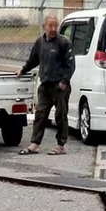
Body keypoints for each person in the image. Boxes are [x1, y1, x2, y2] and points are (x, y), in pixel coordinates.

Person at [18, 15, 75, 156]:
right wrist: (23, 70)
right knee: (40, 114)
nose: (53, 29)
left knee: (60, 115)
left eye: (56, 26)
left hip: (59, 86)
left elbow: (70, 65)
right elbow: (33, 60)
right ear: (45, 27)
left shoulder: (64, 42)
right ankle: (35, 143)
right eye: (50, 26)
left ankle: (60, 145)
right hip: (45, 85)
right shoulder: (40, 42)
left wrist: (63, 82)